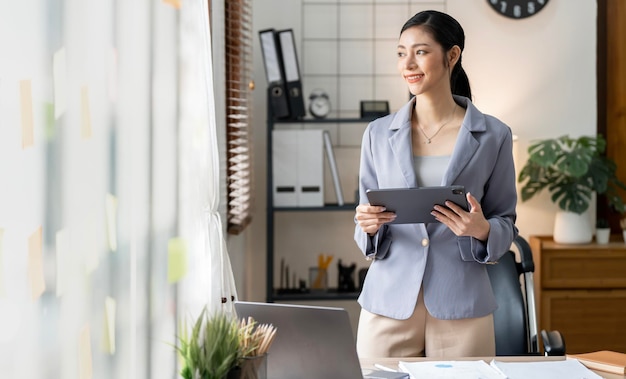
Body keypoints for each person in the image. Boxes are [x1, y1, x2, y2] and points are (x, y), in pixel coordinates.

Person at [353, 10, 518, 358]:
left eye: (421, 51)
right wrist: (367, 226)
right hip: (388, 304)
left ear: (452, 55)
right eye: (401, 52)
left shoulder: (494, 135)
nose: (408, 63)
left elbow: (506, 221)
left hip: (462, 307)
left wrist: (483, 229)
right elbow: (364, 219)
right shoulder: (378, 134)